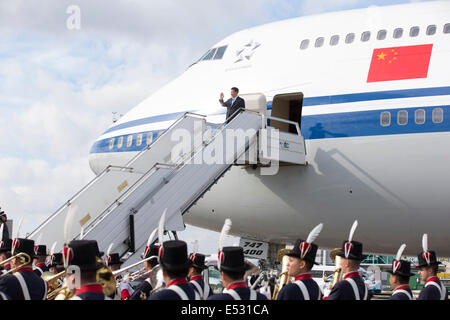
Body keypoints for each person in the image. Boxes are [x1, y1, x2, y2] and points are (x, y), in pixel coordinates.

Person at [325, 221, 369, 300]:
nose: (339, 262)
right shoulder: (363, 286)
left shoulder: (342, 285)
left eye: (341, 258)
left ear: (347, 263)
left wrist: (326, 296)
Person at [417, 234, 448, 300]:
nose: (419, 272)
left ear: (430, 270)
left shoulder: (428, 290)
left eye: (421, 269)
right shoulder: (442, 288)